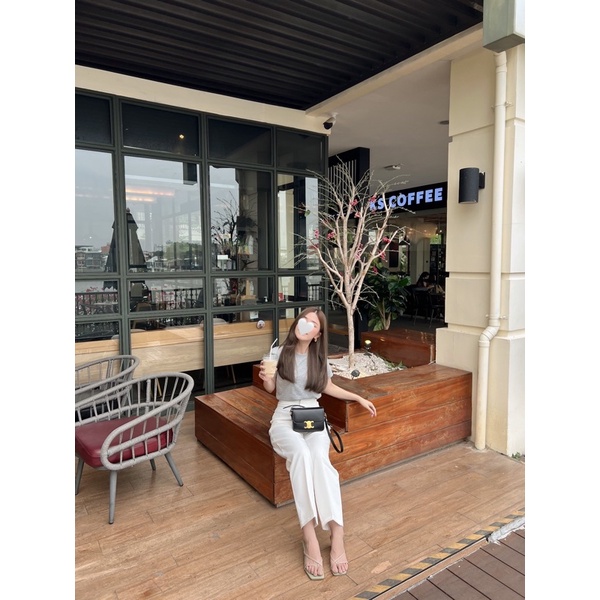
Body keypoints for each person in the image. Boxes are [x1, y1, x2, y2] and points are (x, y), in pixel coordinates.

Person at [259, 307, 377, 580]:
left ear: (317, 334)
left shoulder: (318, 359)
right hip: (284, 417)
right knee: (301, 454)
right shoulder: (279, 352)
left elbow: (328, 387)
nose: (306, 324)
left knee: (320, 460)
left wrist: (357, 398)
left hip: (312, 416)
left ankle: (337, 533)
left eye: (313, 323)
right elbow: (271, 389)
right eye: (304, 319)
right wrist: (266, 379)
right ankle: (309, 536)